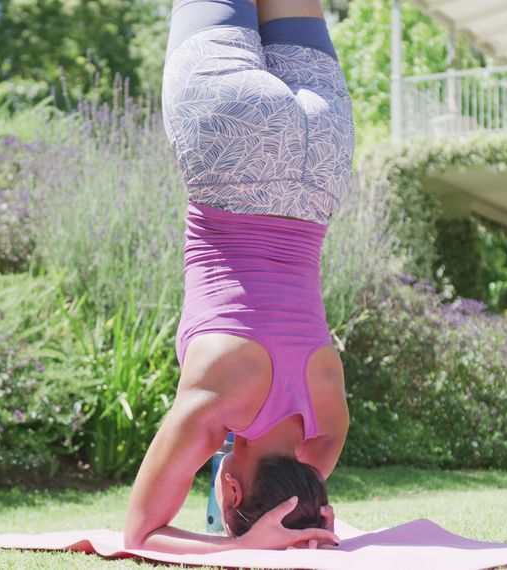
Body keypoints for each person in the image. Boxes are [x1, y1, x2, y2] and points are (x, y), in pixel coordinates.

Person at [122, 0, 356, 554]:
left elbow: (311, 493)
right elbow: (140, 535)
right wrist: (242, 548)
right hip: (234, 147)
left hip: (321, 152)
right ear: (229, 489)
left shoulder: (329, 419)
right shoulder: (212, 400)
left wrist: (305, 524)